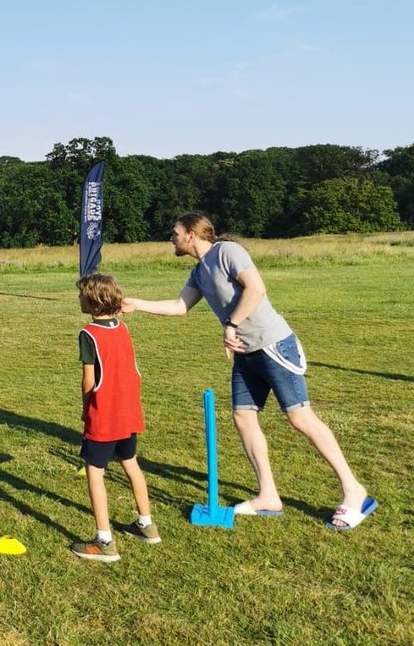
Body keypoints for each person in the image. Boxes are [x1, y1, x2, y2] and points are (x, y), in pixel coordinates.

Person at [122, 213, 375, 530]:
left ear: (191, 234)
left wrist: (231, 324)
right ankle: (268, 496)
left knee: (300, 417)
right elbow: (179, 307)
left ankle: (354, 492)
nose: (170, 239)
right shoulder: (199, 271)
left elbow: (256, 289)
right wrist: (136, 304)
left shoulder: (227, 251)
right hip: (245, 354)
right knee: (243, 417)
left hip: (272, 344)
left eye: (175, 233)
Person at [70, 273, 160, 562]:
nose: (79, 298)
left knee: (95, 473)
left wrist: (86, 409)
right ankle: (146, 524)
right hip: (128, 411)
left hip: (105, 414)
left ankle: (104, 541)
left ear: (94, 301)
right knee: (130, 464)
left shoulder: (89, 333)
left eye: (82, 294)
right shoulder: (122, 328)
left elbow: (88, 381)